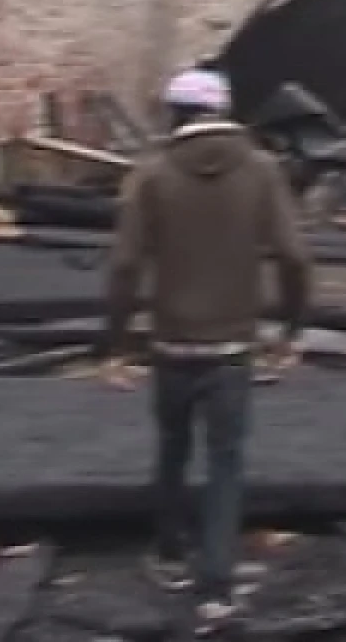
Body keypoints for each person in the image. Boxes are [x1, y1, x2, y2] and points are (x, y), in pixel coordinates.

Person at [99, 68, 313, 627]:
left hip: (171, 343)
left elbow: (124, 265)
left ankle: (170, 552)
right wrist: (291, 328)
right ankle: (216, 583)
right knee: (225, 462)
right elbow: (294, 256)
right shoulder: (264, 171)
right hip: (232, 348)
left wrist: (118, 343)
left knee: (172, 448)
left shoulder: (151, 175)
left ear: (175, 113)